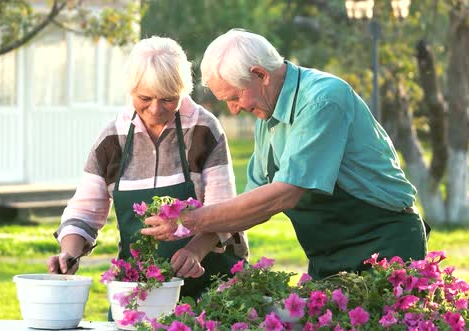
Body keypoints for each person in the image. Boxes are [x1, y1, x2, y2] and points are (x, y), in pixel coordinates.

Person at [143, 29, 428, 279]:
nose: (234, 109)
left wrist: (189, 219)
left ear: (260, 75)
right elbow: (250, 204)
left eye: (234, 97)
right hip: (328, 254)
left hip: (384, 242)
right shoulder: (266, 116)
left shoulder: (323, 100)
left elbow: (284, 195)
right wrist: (196, 248)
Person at [46, 36, 248, 299]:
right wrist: (69, 254)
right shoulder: (112, 138)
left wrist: (194, 251)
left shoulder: (203, 129)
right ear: (131, 90)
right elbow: (85, 210)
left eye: (167, 99)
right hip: (140, 288)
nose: (155, 109)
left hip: (211, 281)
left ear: (181, 91)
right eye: (145, 98)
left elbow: (224, 209)